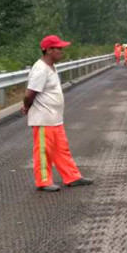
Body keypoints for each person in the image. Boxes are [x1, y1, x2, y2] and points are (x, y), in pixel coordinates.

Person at [21, 35, 94, 192]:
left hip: (54, 119)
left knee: (62, 150)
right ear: (48, 50)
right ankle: (43, 181)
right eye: (58, 48)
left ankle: (72, 177)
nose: (62, 52)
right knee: (43, 152)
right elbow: (29, 94)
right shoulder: (40, 69)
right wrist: (27, 107)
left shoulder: (50, 67)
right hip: (43, 119)